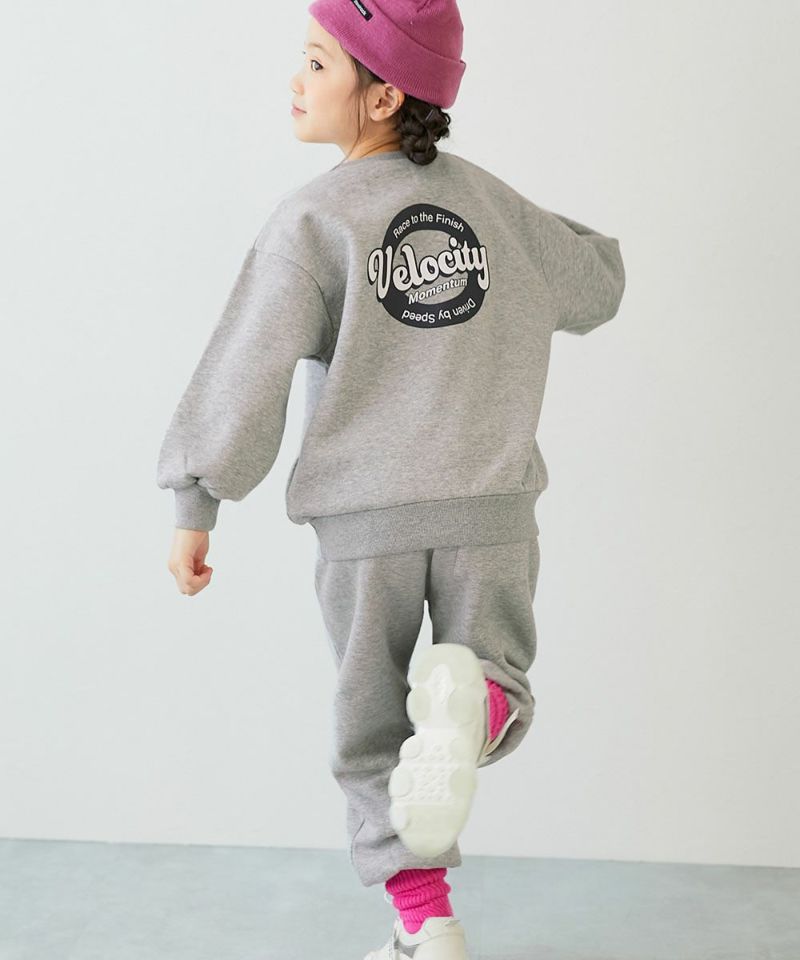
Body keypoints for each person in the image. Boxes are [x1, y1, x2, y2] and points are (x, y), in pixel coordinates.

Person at [156, 1, 626, 956]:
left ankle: (426, 925)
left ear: (381, 96)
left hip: (366, 527)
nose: (295, 82)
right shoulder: (493, 204)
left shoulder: (312, 220)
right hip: (490, 515)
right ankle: (475, 709)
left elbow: (249, 363)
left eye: (316, 64)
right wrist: (499, 219)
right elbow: (599, 281)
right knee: (492, 683)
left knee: (372, 730)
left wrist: (197, 500)